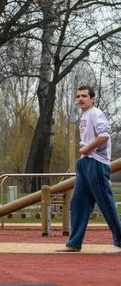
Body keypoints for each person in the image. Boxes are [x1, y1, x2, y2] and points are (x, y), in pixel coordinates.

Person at [56, 85, 121, 254]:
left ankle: (120, 242)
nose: (80, 99)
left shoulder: (96, 113)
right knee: (77, 204)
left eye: (84, 96)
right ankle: (74, 242)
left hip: (97, 162)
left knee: (105, 203)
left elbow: (105, 135)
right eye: (78, 96)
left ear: (92, 98)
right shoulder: (84, 115)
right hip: (85, 163)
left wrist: (87, 149)